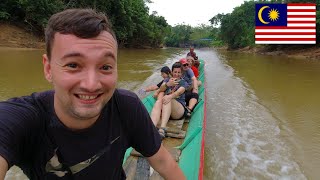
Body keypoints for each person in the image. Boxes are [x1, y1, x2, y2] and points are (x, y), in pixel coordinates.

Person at [0, 9, 185, 180]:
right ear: (48, 69)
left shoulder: (126, 107)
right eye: (73, 65)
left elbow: (162, 161)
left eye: (105, 67)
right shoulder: (22, 119)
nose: (91, 84)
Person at [152, 62, 188, 139]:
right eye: (175, 72)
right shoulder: (167, 80)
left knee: (168, 98)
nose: (177, 74)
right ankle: (152, 127)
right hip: (166, 110)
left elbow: (179, 92)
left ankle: (162, 129)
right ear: (172, 72)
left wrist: (170, 96)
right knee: (158, 102)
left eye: (179, 72)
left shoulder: (183, 82)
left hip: (178, 111)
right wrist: (167, 84)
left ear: (181, 73)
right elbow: (161, 89)